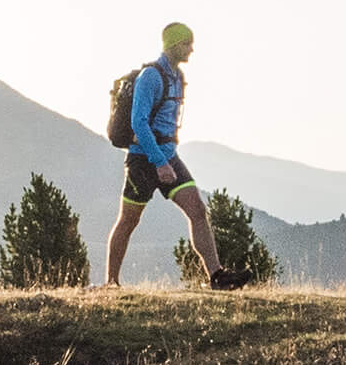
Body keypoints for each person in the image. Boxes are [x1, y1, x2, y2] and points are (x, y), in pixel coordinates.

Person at [104, 22, 249, 289]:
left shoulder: (177, 77)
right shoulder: (151, 76)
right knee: (128, 220)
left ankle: (216, 276)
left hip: (169, 156)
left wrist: (166, 158)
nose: (191, 49)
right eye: (186, 43)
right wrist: (159, 162)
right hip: (143, 160)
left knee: (197, 209)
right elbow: (139, 123)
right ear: (173, 45)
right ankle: (111, 283)